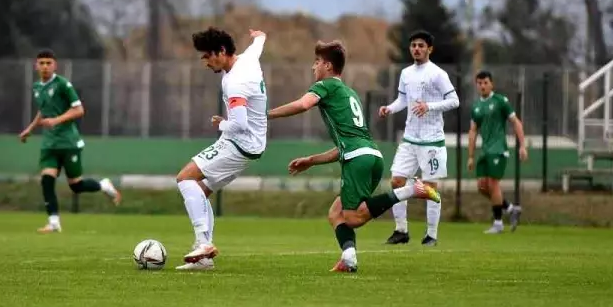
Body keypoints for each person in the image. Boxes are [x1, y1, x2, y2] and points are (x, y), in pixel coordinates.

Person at [269, 41, 439, 272]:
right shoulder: (349, 93)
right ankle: (349, 258)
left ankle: (411, 190)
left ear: (328, 66)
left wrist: (266, 115)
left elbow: (302, 104)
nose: (313, 67)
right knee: (336, 213)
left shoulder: (325, 86)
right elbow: (346, 146)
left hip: (358, 160)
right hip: (371, 157)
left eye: (317, 62)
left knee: (352, 218)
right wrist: (311, 160)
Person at [173, 28, 268, 271]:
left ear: (222, 51)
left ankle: (204, 244)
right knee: (200, 192)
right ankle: (205, 260)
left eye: (207, 56)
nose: (205, 62)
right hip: (250, 144)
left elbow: (240, 123)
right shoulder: (247, 59)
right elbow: (257, 44)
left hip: (239, 143)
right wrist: (259, 36)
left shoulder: (236, 81)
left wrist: (221, 123)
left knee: (185, 178)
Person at [18, 50, 120, 233]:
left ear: (55, 65)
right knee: (46, 179)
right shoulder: (36, 87)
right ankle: (54, 221)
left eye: (48, 63)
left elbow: (79, 110)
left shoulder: (63, 85)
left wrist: (56, 120)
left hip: (68, 142)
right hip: (49, 144)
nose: (45, 66)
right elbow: (43, 110)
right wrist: (30, 129)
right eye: (41, 63)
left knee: (76, 186)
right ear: (36, 66)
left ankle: (103, 185)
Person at [378, 30, 459, 247]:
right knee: (396, 180)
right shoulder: (406, 73)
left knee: (429, 188)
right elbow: (402, 100)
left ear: (429, 49)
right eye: (413, 45)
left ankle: (431, 235)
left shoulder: (438, 74)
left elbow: (454, 101)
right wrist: (389, 108)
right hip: (410, 139)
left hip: (432, 140)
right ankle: (401, 230)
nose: (416, 49)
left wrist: (429, 106)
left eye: (421, 45)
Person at [469, 70, 528, 233]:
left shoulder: (501, 101)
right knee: (482, 187)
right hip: (485, 150)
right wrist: (471, 156)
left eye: (485, 83)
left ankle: (498, 223)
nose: (482, 86)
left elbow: (516, 122)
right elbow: (473, 131)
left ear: (491, 84)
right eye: (479, 83)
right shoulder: (476, 107)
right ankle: (510, 209)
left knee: (493, 184)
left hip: (499, 149)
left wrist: (522, 145)